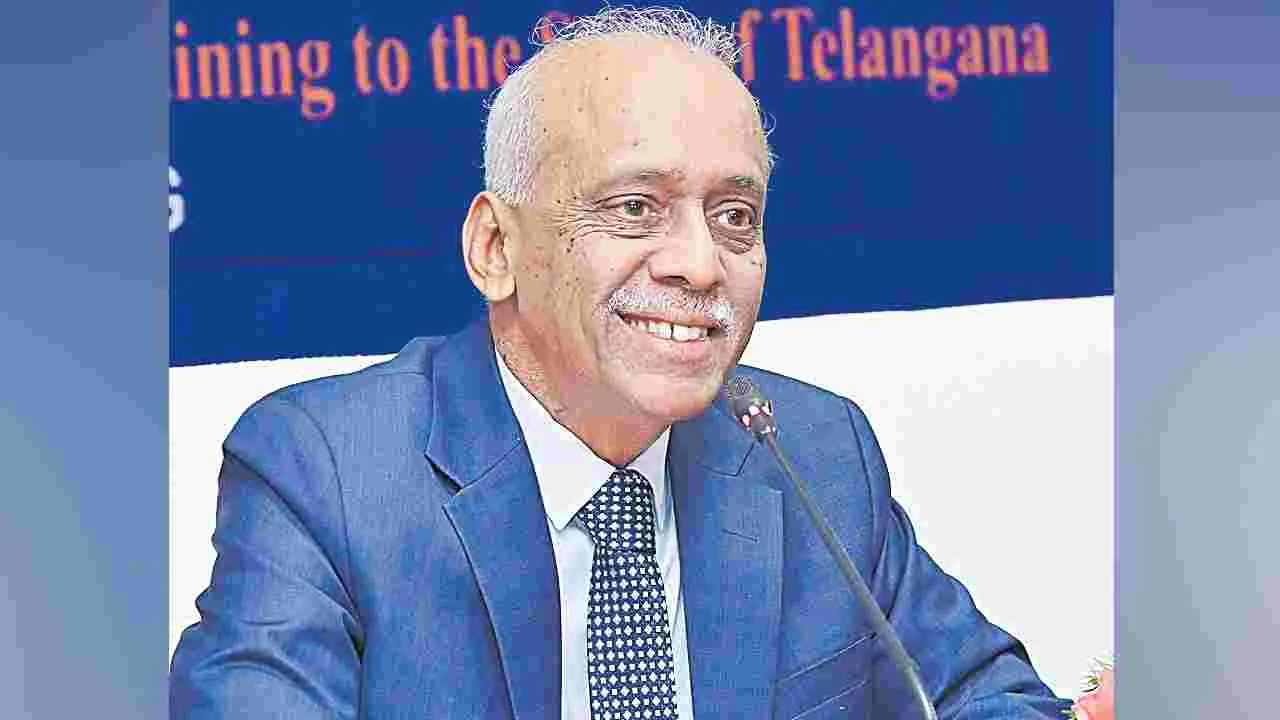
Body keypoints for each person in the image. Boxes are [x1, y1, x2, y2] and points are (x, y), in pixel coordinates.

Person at [170, 6, 1073, 718]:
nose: (701, 265)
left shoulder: (816, 451)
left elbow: (983, 698)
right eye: (635, 208)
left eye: (735, 216)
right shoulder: (326, 472)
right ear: (495, 248)